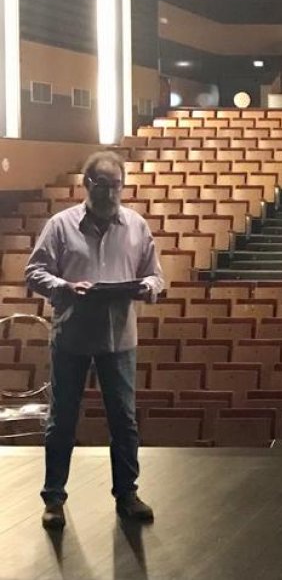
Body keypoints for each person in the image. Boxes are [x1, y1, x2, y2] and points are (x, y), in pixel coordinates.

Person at [26, 151, 165, 529]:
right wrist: (66, 287)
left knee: (123, 419)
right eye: (103, 186)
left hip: (119, 337)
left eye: (117, 186)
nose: (111, 193)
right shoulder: (61, 225)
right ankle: (53, 497)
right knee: (62, 419)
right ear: (87, 184)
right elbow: (35, 272)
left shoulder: (136, 225)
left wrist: (147, 287)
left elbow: (156, 275)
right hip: (72, 335)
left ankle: (127, 493)